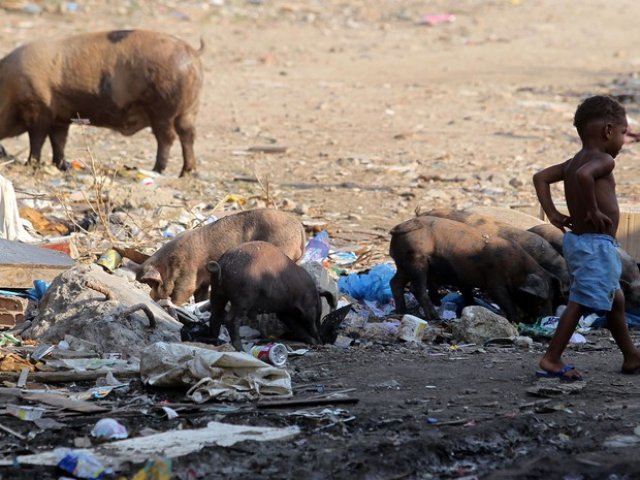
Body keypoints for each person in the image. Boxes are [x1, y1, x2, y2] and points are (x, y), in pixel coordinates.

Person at [532, 95, 640, 380]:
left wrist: (553, 213)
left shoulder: (573, 160)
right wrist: (592, 209)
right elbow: (583, 176)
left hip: (580, 243)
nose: (622, 140)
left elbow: (540, 177)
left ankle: (631, 356)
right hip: (596, 246)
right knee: (580, 301)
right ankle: (552, 358)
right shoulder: (602, 160)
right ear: (607, 131)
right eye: (622, 132)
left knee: (615, 299)